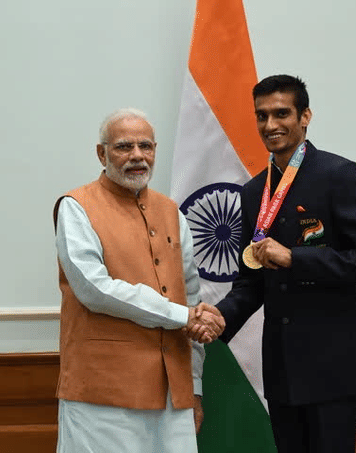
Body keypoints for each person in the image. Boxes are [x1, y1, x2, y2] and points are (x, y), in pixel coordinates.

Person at [214, 75, 356, 452]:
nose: (270, 125)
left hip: (333, 364)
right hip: (281, 367)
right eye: (261, 115)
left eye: (281, 113)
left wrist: (295, 258)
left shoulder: (339, 175)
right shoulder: (253, 192)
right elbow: (250, 283)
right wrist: (218, 318)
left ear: (305, 117)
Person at [53, 108, 225, 452]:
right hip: (102, 394)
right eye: (123, 146)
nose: (137, 156)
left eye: (145, 146)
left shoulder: (171, 212)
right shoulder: (76, 207)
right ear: (102, 154)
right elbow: (94, 289)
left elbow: (190, 295)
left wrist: (193, 386)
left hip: (173, 393)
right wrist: (182, 316)